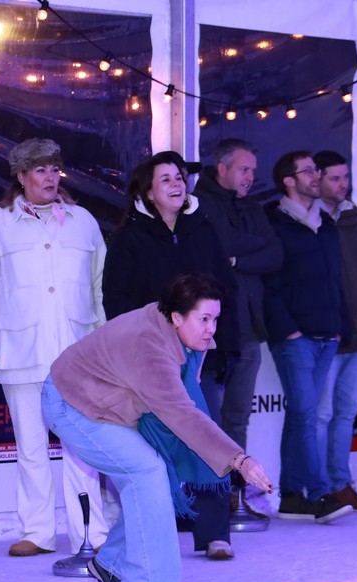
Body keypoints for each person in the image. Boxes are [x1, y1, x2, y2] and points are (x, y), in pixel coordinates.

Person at [43, 273, 272, 582]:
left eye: (216, 319)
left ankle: (111, 564)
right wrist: (240, 460)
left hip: (103, 402)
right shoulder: (149, 347)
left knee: (153, 476)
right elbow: (183, 415)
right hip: (71, 403)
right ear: (177, 317)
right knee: (147, 471)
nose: (211, 329)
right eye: (204, 319)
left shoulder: (174, 329)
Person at [0, 138, 110, 558]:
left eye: (54, 169)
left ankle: (91, 533)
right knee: (30, 447)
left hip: (77, 356)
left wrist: (105, 345)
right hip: (19, 352)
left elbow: (99, 286)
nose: (49, 177)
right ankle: (39, 532)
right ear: (21, 176)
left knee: (82, 448)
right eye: (40, 170)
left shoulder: (83, 222)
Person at [102, 151, 240, 559]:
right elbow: (116, 301)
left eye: (180, 177)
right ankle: (154, 531)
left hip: (201, 358)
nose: (177, 183)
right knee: (152, 446)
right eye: (166, 179)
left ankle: (215, 533)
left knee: (208, 439)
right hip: (151, 361)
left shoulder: (204, 230)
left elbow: (227, 290)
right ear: (148, 192)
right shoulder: (129, 238)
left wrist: (225, 347)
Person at [193, 138, 283, 529]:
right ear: (222, 169)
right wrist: (243, 251)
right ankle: (206, 497)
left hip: (249, 328)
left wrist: (236, 259)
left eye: (253, 171)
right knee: (206, 419)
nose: (250, 177)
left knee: (238, 417)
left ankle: (234, 491)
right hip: (212, 332)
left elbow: (276, 253)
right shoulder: (201, 202)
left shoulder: (251, 207)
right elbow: (222, 243)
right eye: (244, 169)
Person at [263, 151, 352, 523]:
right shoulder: (275, 222)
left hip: (326, 333)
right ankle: (318, 495)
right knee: (305, 414)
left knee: (301, 416)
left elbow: (335, 278)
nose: (317, 176)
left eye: (317, 170)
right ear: (289, 180)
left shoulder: (326, 223)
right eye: (309, 170)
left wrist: (339, 324)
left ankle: (291, 495)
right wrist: (288, 329)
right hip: (295, 336)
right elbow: (269, 282)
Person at [313, 150, 357, 513]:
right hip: (327, 335)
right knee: (321, 414)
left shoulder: (356, 217)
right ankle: (318, 488)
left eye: (345, 177)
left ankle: (340, 484)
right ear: (317, 179)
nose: (343, 184)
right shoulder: (309, 218)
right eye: (335, 178)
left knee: (345, 413)